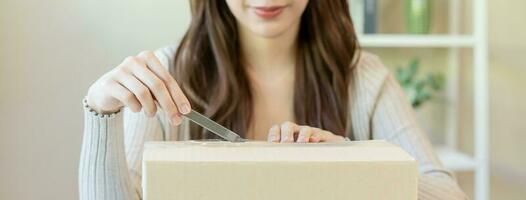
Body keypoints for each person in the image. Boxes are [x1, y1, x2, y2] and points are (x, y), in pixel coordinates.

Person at [79, 0, 467, 199]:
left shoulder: (362, 77)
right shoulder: (167, 77)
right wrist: (101, 110)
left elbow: (449, 195)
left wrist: (357, 165)